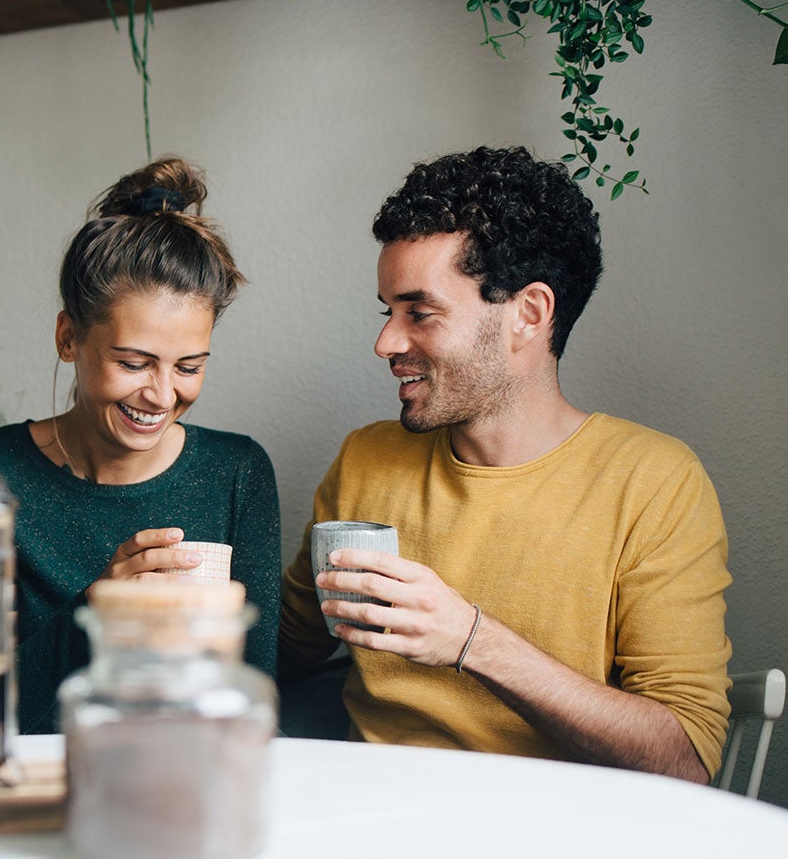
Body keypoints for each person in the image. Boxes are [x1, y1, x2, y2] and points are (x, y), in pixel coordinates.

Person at [279, 146, 731, 783]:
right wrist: (160, 605)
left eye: (420, 312)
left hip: (557, 847)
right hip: (372, 829)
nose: (386, 341)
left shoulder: (652, 483)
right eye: (388, 312)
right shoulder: (367, 460)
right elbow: (284, 650)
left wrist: (472, 641)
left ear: (529, 313)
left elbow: (684, 761)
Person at [0, 156, 280, 734]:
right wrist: (96, 613)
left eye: (190, 367)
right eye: (133, 363)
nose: (161, 394)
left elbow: (255, 705)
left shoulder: (237, 472)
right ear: (69, 337)